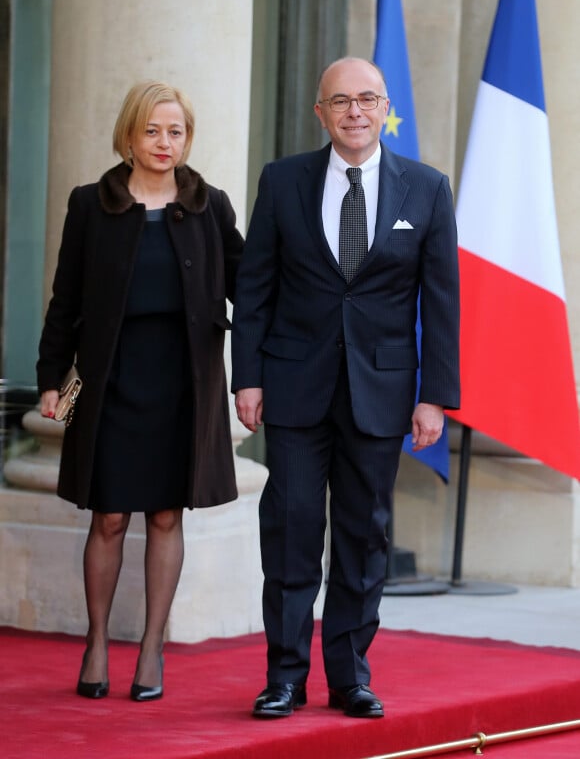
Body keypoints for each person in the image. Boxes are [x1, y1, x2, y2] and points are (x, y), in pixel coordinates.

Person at [232, 57, 460, 719]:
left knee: (363, 538)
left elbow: (441, 302)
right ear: (320, 112)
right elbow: (255, 291)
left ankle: (350, 677)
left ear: (384, 108)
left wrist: (434, 395)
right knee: (292, 530)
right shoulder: (282, 183)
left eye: (366, 100)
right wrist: (246, 377)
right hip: (294, 388)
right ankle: (284, 678)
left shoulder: (426, 188)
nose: (354, 112)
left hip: (383, 393)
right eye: (340, 101)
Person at [37, 80, 244, 702]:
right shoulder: (89, 205)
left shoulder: (211, 206)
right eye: (152, 130)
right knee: (108, 516)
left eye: (175, 131)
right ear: (129, 135)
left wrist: (264, 369)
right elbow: (65, 300)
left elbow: (251, 286)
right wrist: (51, 379)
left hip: (183, 383)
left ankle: (152, 648)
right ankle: (97, 641)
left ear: (188, 138)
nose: (164, 142)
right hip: (111, 382)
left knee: (164, 513)